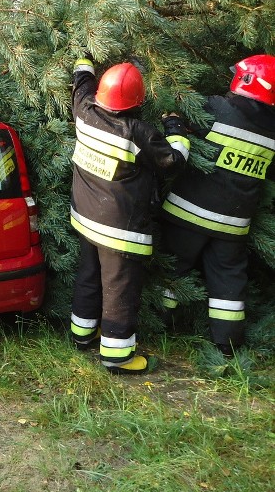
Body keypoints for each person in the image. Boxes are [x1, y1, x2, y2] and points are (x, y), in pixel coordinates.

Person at [69, 57, 189, 375]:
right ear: (138, 101)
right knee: (120, 290)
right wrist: (176, 130)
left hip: (85, 218)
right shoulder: (138, 132)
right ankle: (117, 357)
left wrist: (85, 60)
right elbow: (173, 162)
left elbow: (81, 82)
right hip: (120, 229)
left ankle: (81, 335)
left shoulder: (84, 109)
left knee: (89, 276)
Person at [160, 54, 275, 357]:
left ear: (246, 79)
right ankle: (228, 343)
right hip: (234, 224)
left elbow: (185, 119)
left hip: (188, 212)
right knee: (228, 278)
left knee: (172, 268)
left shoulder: (217, 108)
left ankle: (158, 323)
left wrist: (171, 119)